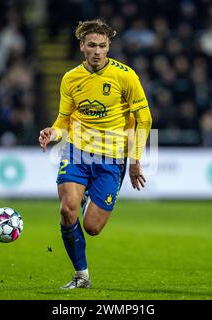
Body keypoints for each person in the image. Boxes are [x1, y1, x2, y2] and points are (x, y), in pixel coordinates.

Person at [38, 19, 152, 289]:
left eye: (102, 45)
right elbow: (63, 121)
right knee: (68, 211)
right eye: (92, 45)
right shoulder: (70, 78)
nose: (98, 51)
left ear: (108, 46)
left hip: (112, 159)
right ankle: (81, 275)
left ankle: (88, 193)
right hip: (77, 153)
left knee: (92, 227)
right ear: (82, 46)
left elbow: (144, 119)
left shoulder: (126, 76)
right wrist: (52, 133)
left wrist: (135, 161)